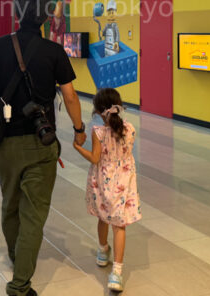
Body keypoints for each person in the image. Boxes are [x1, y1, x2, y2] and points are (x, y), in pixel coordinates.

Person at [0, 0, 86, 296]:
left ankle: (17, 257)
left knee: (10, 205)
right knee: (34, 213)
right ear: (47, 16)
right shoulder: (54, 51)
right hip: (41, 140)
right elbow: (70, 95)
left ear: (16, 14)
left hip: (5, 142)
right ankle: (20, 284)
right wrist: (79, 129)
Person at [72, 87, 141, 293]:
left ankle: (103, 252)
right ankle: (117, 274)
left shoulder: (98, 132)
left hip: (103, 180)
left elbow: (95, 158)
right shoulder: (130, 129)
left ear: (98, 111)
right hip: (125, 181)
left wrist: (78, 148)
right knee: (120, 225)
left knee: (103, 217)